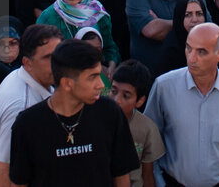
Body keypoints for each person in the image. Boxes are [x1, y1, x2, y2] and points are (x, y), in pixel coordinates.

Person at [144, 22, 219, 187]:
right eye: (189, 48)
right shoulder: (164, 87)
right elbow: (148, 139)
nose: (192, 58)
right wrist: (157, 181)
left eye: (201, 52)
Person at [9, 40, 138, 187]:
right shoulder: (27, 125)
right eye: (92, 77)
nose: (101, 85)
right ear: (67, 83)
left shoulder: (110, 113)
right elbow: (19, 183)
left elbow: (121, 175)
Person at [0, 25, 58, 187]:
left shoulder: (20, 77)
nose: (56, 63)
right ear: (27, 63)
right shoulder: (22, 105)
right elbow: (2, 176)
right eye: (47, 58)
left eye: (58, 55)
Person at [108, 60, 165, 187]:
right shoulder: (97, 121)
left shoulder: (147, 128)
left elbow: (148, 174)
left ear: (140, 101)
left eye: (126, 96)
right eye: (114, 91)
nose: (117, 100)